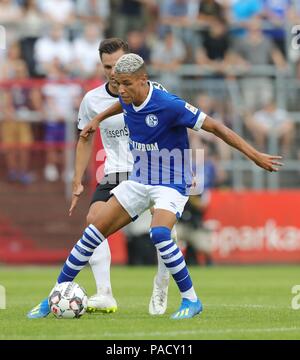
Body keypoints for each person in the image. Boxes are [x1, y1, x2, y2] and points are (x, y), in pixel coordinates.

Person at [28, 53, 283, 320]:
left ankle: (191, 300)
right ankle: (51, 298)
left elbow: (216, 127)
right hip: (139, 179)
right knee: (92, 234)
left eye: (126, 83)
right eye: (117, 83)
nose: (121, 90)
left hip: (171, 182)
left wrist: (256, 155)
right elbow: (122, 105)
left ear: (143, 80)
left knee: (159, 233)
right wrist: (97, 119)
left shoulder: (169, 104)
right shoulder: (127, 98)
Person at [27, 40, 172, 318]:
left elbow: (174, 126)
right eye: (107, 67)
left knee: (162, 231)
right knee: (94, 220)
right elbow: (84, 138)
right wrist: (77, 179)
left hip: (152, 170)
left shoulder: (152, 91)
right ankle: (104, 294)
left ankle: (161, 285)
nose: (113, 72)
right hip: (116, 173)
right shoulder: (92, 100)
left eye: (117, 66)